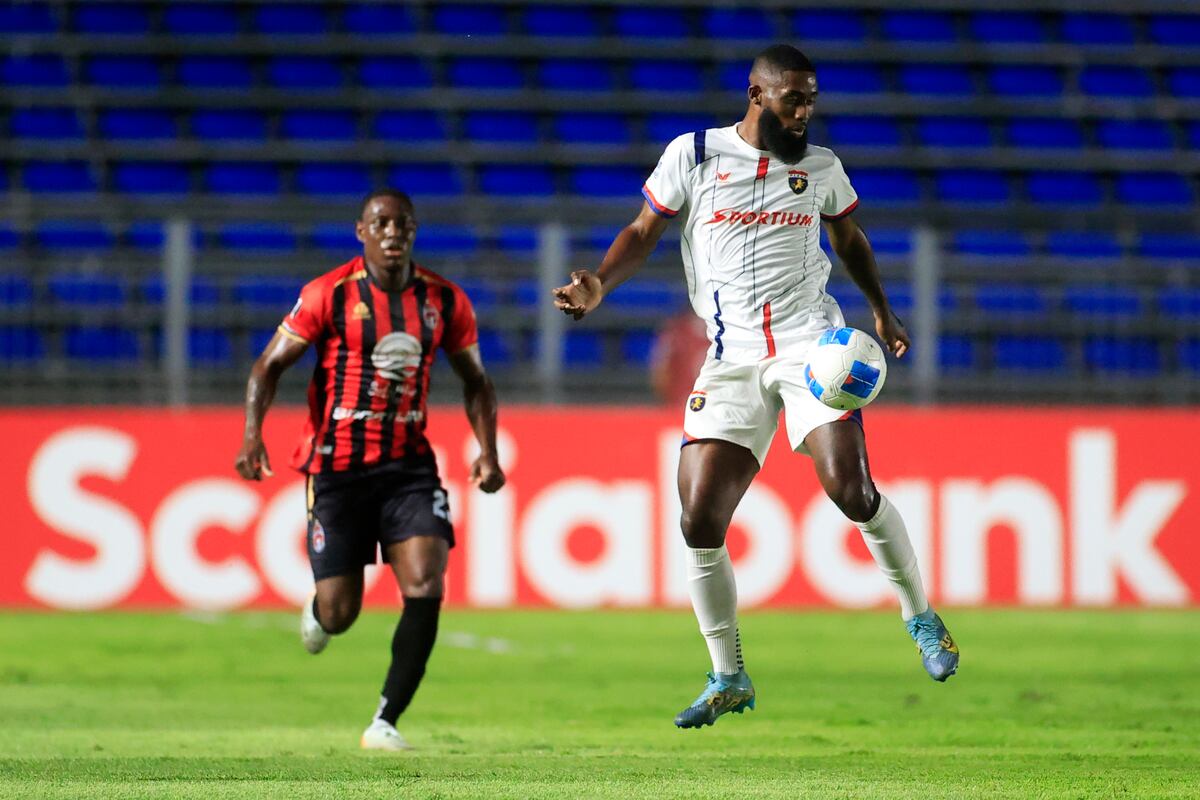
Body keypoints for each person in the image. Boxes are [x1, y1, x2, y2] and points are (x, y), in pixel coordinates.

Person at [553, 44, 958, 730]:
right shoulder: (695, 155)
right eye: (792, 99)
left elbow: (850, 239)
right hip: (730, 356)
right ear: (756, 95)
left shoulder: (821, 167)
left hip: (811, 348)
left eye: (811, 101)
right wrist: (598, 283)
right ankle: (728, 675)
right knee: (698, 518)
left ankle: (921, 618)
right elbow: (644, 230)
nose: (803, 113)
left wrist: (882, 309)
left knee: (851, 490)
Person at [235, 189, 505, 751]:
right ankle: (320, 611)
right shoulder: (328, 295)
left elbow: (476, 381)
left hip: (408, 467)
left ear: (414, 231)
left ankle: (386, 720)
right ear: (361, 232)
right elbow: (268, 367)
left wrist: (487, 450)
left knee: (427, 581)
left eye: (402, 223)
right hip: (336, 469)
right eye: (380, 223)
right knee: (341, 612)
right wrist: (253, 434)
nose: (392, 232)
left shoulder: (444, 300)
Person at [649, 308, 711, 407]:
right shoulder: (677, 330)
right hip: (680, 404)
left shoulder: (676, 329)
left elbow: (659, 374)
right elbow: (660, 374)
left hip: (681, 404)